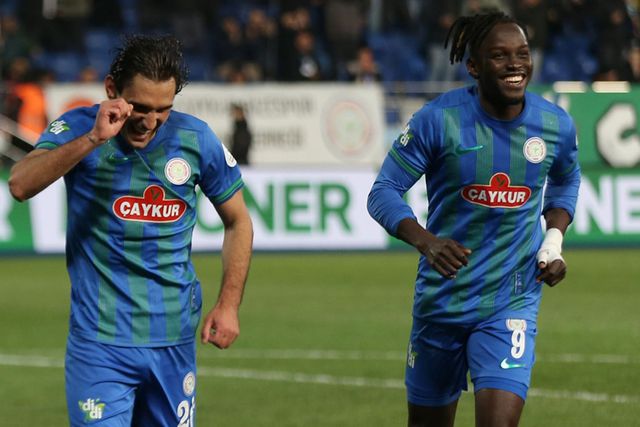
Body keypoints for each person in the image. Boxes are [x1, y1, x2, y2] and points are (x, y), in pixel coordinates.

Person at [8, 35, 253, 426]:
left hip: (173, 339)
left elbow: (238, 221)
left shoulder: (196, 139)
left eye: (163, 110)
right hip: (99, 343)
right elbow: (20, 184)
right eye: (139, 107)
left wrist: (228, 305)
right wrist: (93, 139)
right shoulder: (78, 127)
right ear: (112, 89)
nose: (150, 121)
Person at [367, 12, 580, 427]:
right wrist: (426, 241)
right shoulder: (438, 120)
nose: (515, 64)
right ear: (474, 67)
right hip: (442, 301)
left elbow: (566, 178)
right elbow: (383, 191)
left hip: (511, 300)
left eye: (522, 54)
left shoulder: (554, 124)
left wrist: (553, 241)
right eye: (499, 55)